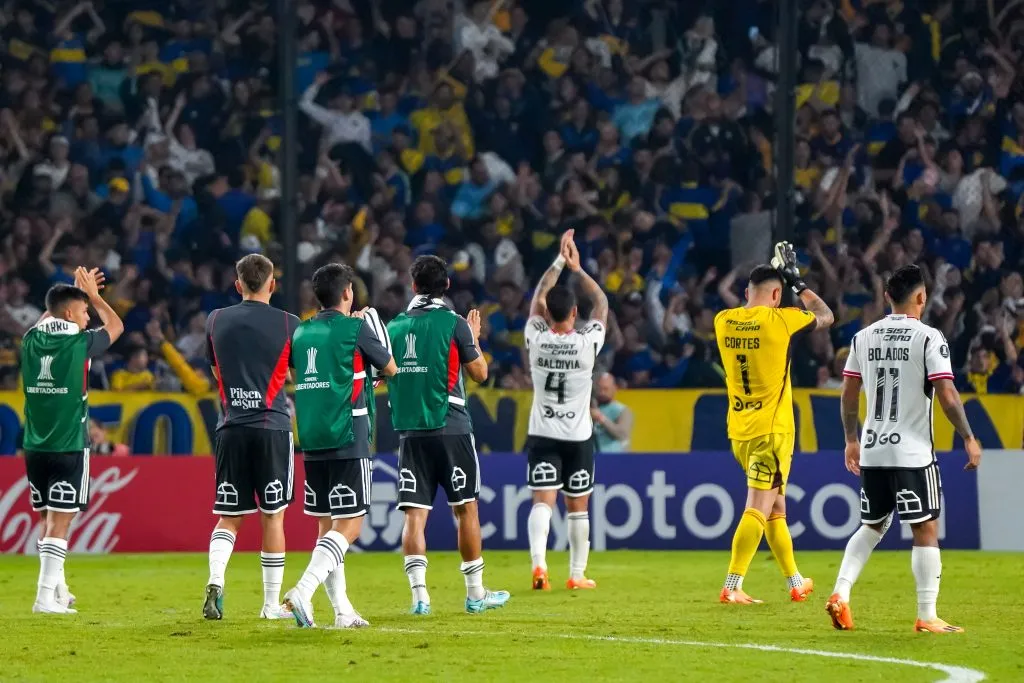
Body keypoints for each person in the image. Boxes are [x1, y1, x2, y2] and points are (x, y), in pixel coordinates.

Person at [827, 265, 982, 633]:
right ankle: (927, 615)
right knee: (926, 528)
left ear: (886, 298)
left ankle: (841, 593)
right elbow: (946, 394)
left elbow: (848, 394)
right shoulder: (929, 338)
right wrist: (968, 436)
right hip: (912, 452)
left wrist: (852, 439)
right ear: (922, 297)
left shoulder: (863, 337)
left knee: (872, 525)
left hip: (874, 449)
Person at [385, 255, 510, 615]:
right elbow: (480, 373)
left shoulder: (394, 327)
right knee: (466, 508)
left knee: (414, 515)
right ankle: (475, 594)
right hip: (451, 425)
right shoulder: (454, 324)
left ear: (413, 286)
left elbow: (383, 372)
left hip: (410, 431)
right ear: (447, 287)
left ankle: (419, 598)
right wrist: (474, 339)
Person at [714, 243, 834, 604]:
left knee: (777, 507)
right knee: (758, 506)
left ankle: (795, 581)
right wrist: (798, 282)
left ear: (747, 293)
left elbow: (749, 306)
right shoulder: (780, 319)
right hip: (772, 432)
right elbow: (825, 315)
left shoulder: (723, 320)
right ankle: (732, 586)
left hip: (739, 430)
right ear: (777, 295)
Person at [283, 263, 397, 629]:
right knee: (351, 525)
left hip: (312, 438)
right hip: (348, 435)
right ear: (347, 292)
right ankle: (303, 589)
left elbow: (305, 373)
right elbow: (391, 368)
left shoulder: (301, 332)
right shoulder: (356, 327)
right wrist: (374, 328)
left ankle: (342, 611)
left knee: (326, 527)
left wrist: (360, 379)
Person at [202, 254, 301, 621]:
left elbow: (216, 371)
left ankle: (215, 581)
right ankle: (270, 605)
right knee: (272, 517)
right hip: (271, 427)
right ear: (272, 284)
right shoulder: (289, 323)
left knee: (228, 517)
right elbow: (293, 375)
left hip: (231, 427)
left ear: (237, 283)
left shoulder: (215, 320)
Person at [21, 268, 124, 613]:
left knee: (48, 519)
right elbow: (116, 327)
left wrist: (65, 297)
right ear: (68, 315)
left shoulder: (30, 341)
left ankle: (59, 590)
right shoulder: (80, 343)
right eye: (82, 313)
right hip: (68, 446)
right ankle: (43, 598)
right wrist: (94, 296)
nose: (86, 318)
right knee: (60, 522)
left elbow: (43, 319)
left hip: (34, 447)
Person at [523, 230, 608, 591]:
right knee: (578, 507)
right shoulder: (587, 343)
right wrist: (579, 269)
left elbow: (539, 296)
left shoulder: (536, 337)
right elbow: (602, 304)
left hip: (543, 432)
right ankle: (576, 574)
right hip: (578, 435)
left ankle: (540, 567)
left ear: (546, 313)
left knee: (543, 502)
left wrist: (559, 262)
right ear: (575, 312)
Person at [592, 373, 633, 453]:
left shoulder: (622, 410)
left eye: (606, 389)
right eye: (599, 389)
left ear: (614, 388)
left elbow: (622, 434)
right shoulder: (590, 408)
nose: (602, 393)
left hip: (615, 457)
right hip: (593, 457)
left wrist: (601, 418)